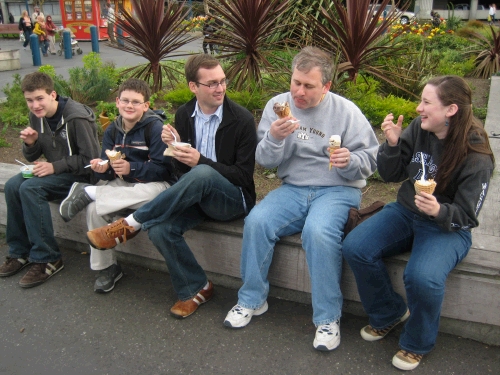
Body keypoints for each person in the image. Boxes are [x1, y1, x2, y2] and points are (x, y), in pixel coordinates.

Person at [223, 46, 379, 352]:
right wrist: (275, 138)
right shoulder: (277, 106)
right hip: (293, 188)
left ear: (326, 86)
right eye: (296, 82)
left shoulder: (346, 112)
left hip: (337, 189)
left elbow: (370, 161)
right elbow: (265, 162)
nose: (299, 91)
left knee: (318, 232)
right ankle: (251, 300)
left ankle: (327, 319)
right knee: (256, 220)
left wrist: (350, 161)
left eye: (309, 86)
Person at [86, 54, 257, 318]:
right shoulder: (185, 114)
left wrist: (202, 161)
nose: (220, 88)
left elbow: (244, 177)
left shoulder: (242, 119)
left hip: (232, 200)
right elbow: (179, 172)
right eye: (211, 83)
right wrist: (173, 149)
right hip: (196, 195)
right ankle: (196, 287)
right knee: (159, 229)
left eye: (222, 81)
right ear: (193, 87)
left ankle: (131, 223)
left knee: (202, 172)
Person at [342, 75, 494, 371]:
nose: (418, 108)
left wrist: (439, 210)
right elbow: (391, 175)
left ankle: (417, 343)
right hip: (406, 211)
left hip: (447, 228)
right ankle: (389, 313)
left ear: (451, 110)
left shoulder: (476, 155)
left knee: (422, 276)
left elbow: (467, 217)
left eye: (426, 102)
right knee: (356, 246)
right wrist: (393, 143)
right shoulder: (420, 129)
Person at [58, 78, 176, 293]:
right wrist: (104, 167)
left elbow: (165, 170)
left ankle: (90, 192)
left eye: (136, 102)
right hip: (123, 185)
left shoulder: (155, 128)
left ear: (146, 106)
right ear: (117, 102)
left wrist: (132, 168)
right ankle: (107, 267)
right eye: (125, 101)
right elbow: (109, 162)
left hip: (154, 185)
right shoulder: (112, 129)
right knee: (94, 209)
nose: (129, 106)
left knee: (152, 195)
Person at [0, 72, 100, 288]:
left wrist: (54, 166)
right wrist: (30, 144)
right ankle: (20, 252)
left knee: (30, 189)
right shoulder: (37, 116)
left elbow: (90, 160)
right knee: (12, 185)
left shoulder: (76, 118)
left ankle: (48, 257)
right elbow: (32, 157)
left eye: (39, 98)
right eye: (29, 100)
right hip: (58, 174)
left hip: (82, 178)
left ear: (52, 94)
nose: (35, 105)